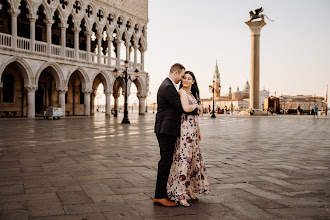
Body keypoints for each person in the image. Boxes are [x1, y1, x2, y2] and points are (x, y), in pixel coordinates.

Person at [154, 63, 201, 207]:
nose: (182, 79)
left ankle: (163, 194)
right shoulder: (168, 87)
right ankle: (160, 196)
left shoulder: (167, 85)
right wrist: (198, 108)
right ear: (175, 72)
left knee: (167, 161)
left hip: (166, 128)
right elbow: (181, 108)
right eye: (181, 75)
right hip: (166, 129)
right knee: (165, 162)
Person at [167, 71, 211, 207]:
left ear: (193, 81)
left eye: (189, 78)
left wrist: (198, 131)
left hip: (192, 131)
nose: (186, 80)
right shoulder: (182, 92)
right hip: (185, 131)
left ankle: (189, 189)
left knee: (193, 161)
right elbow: (186, 108)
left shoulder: (192, 94)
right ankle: (180, 194)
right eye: (184, 78)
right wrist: (197, 106)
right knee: (184, 161)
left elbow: (195, 117)